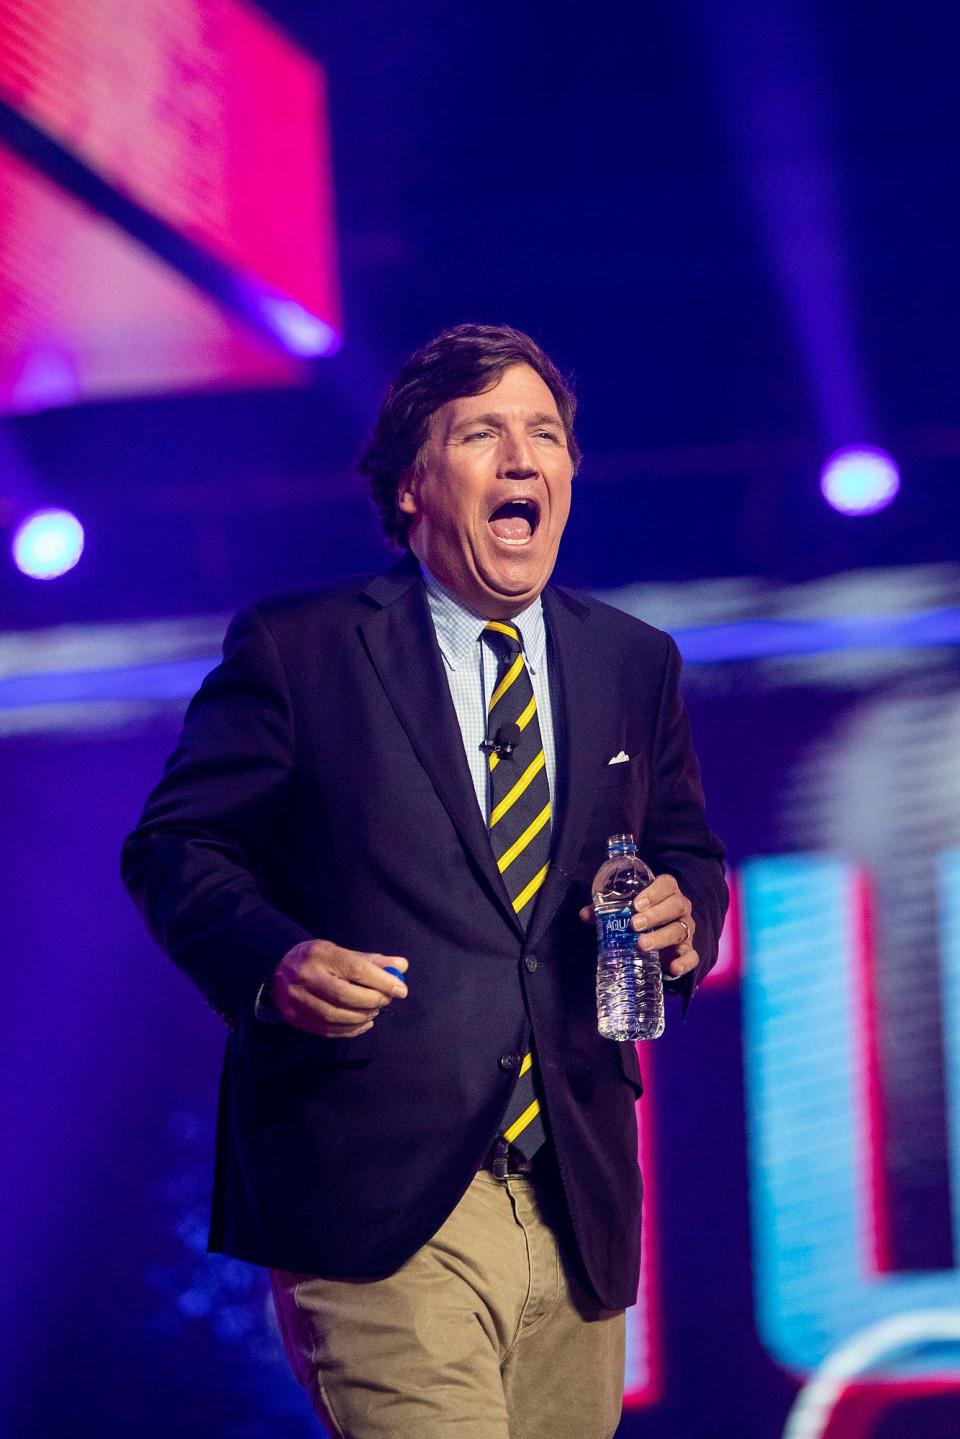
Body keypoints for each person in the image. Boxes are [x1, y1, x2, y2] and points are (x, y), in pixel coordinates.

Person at [122, 323, 727, 1439]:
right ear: (411, 484)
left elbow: (686, 847)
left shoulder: (631, 661)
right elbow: (175, 846)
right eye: (483, 432)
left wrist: (687, 915)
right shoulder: (302, 650)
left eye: (545, 435)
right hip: (379, 1197)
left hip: (576, 1194)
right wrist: (275, 959)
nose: (522, 458)